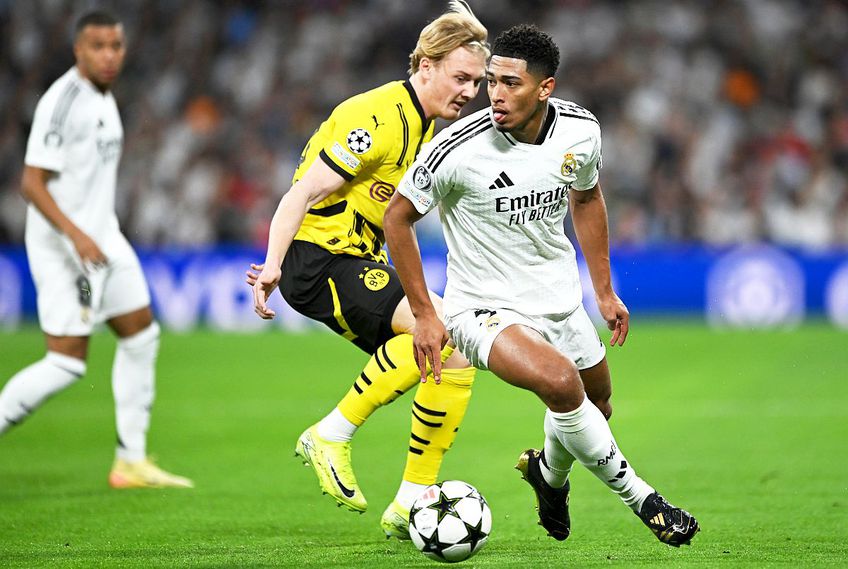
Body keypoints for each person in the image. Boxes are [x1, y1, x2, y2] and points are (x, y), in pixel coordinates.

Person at [384, 24, 700, 546]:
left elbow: (586, 197)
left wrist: (603, 291)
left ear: (545, 88)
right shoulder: (457, 148)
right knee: (559, 383)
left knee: (597, 406)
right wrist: (424, 313)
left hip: (558, 300)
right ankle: (644, 499)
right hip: (480, 308)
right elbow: (397, 219)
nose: (495, 95)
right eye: (491, 82)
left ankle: (548, 478)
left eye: (511, 83)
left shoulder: (580, 131)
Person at [247, 1, 487, 537]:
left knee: (452, 358)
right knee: (439, 330)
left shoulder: (435, 130)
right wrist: (273, 264)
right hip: (319, 259)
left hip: (360, 258)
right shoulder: (376, 117)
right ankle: (330, 435)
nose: (470, 92)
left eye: (477, 81)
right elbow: (303, 191)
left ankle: (406, 505)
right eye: (461, 78)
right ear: (426, 66)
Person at [0, 11, 192, 490]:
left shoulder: (104, 98)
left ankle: (130, 461)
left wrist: (95, 233)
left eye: (116, 46)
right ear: (77, 51)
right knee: (66, 362)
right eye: (98, 46)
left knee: (141, 335)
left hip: (104, 239)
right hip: (67, 247)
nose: (109, 55)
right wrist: (76, 235)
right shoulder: (62, 101)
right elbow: (31, 182)